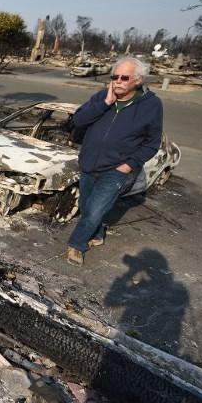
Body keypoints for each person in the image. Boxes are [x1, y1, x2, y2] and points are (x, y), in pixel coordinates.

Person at [66, 57, 163, 266]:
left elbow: (152, 143)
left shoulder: (151, 105)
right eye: (114, 76)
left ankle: (77, 245)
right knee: (87, 207)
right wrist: (105, 103)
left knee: (94, 211)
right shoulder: (103, 96)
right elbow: (78, 120)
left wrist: (128, 165)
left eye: (124, 77)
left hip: (116, 170)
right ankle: (98, 233)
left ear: (137, 80)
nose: (118, 81)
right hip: (89, 164)